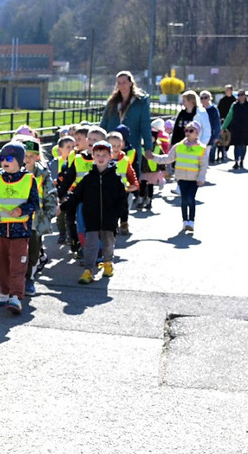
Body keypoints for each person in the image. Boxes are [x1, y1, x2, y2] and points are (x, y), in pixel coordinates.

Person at [63, 140, 128, 284]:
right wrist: (63, 206)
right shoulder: (88, 177)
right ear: (93, 156)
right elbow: (76, 194)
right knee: (91, 244)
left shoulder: (115, 178)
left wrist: (120, 215)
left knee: (107, 243)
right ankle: (88, 270)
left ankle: (108, 263)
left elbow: (122, 199)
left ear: (110, 156)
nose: (100, 157)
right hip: (91, 218)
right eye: (97, 154)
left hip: (109, 219)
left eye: (104, 154)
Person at [0, 142, 39, 314]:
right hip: (0, 230)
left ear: (19, 160)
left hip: (20, 231)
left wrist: (21, 210)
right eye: (2, 158)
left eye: (9, 158)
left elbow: (34, 204)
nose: (4, 161)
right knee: (1, 264)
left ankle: (16, 296)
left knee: (18, 265)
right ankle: (4, 291)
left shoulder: (29, 179)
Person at [149, 120, 208, 233]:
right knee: (184, 200)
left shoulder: (201, 148)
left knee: (190, 199)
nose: (188, 132)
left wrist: (201, 178)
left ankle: (191, 221)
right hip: (181, 178)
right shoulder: (178, 146)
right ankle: (185, 221)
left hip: (194, 179)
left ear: (197, 133)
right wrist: (153, 157)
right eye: (186, 130)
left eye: (191, 130)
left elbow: (204, 165)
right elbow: (167, 158)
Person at [99, 70, 154, 187]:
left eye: (124, 82)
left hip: (131, 143)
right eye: (119, 83)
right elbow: (104, 122)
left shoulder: (141, 102)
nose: (121, 85)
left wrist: (148, 147)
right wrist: (99, 140)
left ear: (130, 83)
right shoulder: (113, 102)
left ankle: (130, 196)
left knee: (130, 172)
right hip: (111, 143)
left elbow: (145, 125)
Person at [22, 138, 57, 295]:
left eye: (31, 156)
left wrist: (49, 214)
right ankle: (17, 278)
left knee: (33, 251)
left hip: (36, 219)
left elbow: (50, 193)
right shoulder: (14, 173)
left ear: (37, 157)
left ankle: (29, 278)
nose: (27, 159)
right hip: (17, 219)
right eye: (25, 155)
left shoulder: (42, 173)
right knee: (18, 251)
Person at [221, 89, 248, 171]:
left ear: (245, 96)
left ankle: (241, 161)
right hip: (236, 128)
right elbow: (229, 117)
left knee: (243, 145)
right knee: (237, 145)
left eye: (242, 95)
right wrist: (223, 127)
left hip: (246, 128)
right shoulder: (234, 105)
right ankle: (236, 161)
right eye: (239, 95)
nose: (241, 97)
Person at [171, 90, 212, 155]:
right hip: (181, 146)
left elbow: (206, 131)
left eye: (184, 101)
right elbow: (176, 130)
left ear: (191, 101)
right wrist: (173, 143)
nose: (183, 103)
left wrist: (201, 146)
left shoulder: (201, 113)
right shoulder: (181, 113)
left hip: (195, 147)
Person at [200, 90, 223, 163]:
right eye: (202, 98)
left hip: (211, 135)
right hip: (200, 135)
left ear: (210, 98)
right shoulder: (199, 109)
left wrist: (216, 137)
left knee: (210, 157)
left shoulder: (213, 110)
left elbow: (217, 124)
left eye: (206, 97)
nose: (203, 99)